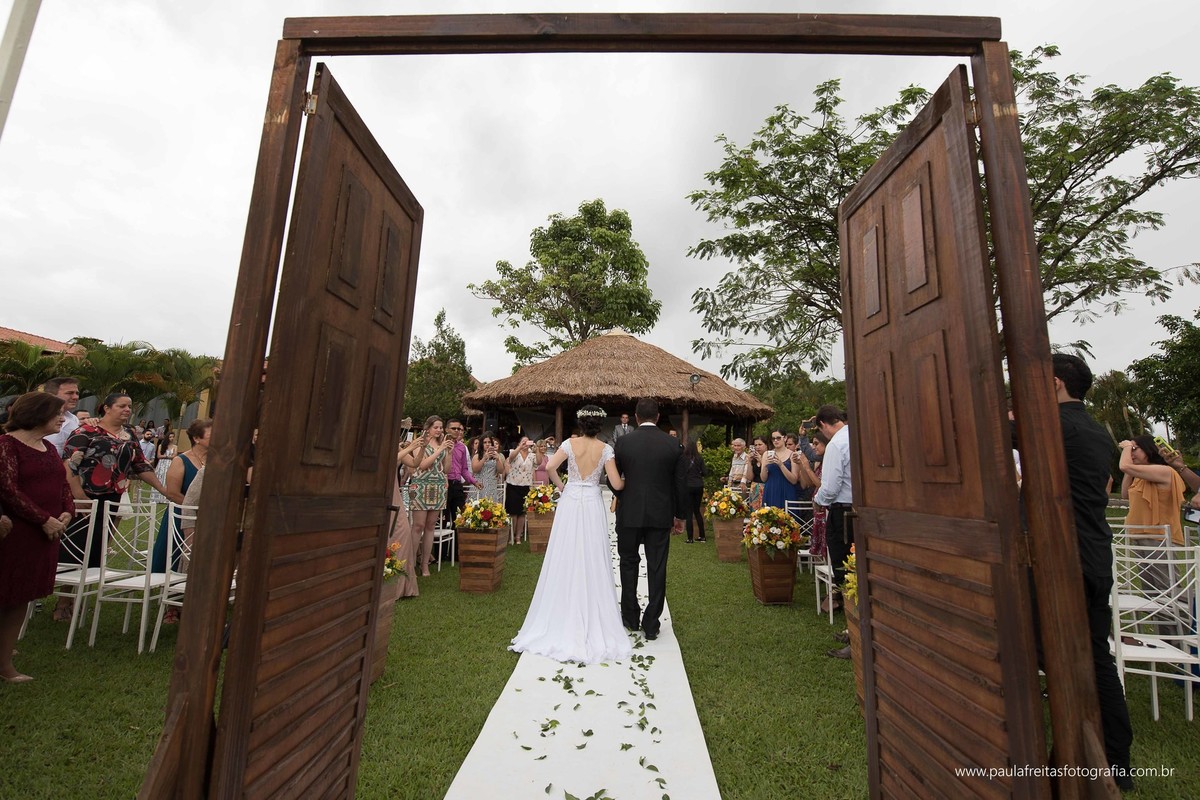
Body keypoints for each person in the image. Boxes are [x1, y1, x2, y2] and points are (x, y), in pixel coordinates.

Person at [1050, 353, 1134, 790]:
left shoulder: (1056, 428)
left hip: (1068, 560)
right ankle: (1116, 756)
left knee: (1057, 654)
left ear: (1056, 383)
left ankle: (1078, 751)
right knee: (1097, 657)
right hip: (1097, 554)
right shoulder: (1099, 432)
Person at [511, 405, 632, 664]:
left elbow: (550, 467)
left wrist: (563, 486)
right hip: (591, 501)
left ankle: (562, 607)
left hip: (571, 499)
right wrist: (629, 479)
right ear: (600, 426)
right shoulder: (606, 450)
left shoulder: (568, 443)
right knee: (592, 554)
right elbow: (617, 484)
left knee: (565, 551)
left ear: (580, 424)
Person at [56, 393, 180, 621]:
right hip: (84, 498)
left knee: (97, 548)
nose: (127, 410)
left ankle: (80, 600)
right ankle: (63, 602)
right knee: (75, 549)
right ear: (106, 408)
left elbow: (140, 464)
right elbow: (69, 464)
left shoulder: (130, 435)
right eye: (121, 406)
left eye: (129, 406)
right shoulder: (86, 431)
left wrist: (163, 489)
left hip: (112, 498)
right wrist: (79, 496)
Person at [0, 392, 74, 682]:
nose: (62, 418)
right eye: (57, 413)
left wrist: (66, 511)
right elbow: (6, 488)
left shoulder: (48, 448)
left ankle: (4, 664)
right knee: (4, 593)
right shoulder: (7, 445)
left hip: (46, 534)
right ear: (37, 413)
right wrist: (43, 519)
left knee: (21, 597)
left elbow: (62, 483)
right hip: (16, 532)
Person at [612, 398, 686, 641]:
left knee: (628, 562)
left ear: (635, 417)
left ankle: (630, 616)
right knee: (657, 566)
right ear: (657, 417)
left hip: (629, 513)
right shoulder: (673, 444)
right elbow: (679, 485)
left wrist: (623, 496)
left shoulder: (622, 442)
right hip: (660, 514)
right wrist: (680, 516)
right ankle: (652, 623)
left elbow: (614, 480)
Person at [150, 419, 212, 582]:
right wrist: (193, 508)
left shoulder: (215, 462)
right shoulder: (181, 460)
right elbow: (172, 493)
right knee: (174, 555)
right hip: (180, 515)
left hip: (208, 517)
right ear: (197, 439)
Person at [401, 416, 454, 577]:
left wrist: (448, 453)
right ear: (428, 428)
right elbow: (422, 465)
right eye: (436, 427)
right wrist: (440, 450)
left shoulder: (441, 445)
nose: (439, 430)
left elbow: (446, 470)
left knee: (431, 526)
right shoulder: (419, 443)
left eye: (441, 427)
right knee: (418, 526)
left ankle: (425, 564)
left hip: (438, 486)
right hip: (421, 486)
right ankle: (409, 564)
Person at [812, 406, 851, 611]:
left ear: (823, 425)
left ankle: (848, 613)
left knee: (842, 563)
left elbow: (831, 486)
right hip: (858, 508)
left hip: (841, 512)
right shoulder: (854, 436)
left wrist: (818, 499)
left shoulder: (836, 444)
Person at [1119, 433, 1186, 546]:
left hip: (1160, 537)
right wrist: (1131, 468)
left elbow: (1124, 466)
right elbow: (1125, 494)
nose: (1131, 453)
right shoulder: (1141, 477)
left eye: (1134, 449)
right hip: (1139, 534)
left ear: (1148, 448)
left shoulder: (1164, 471)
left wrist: (1126, 447)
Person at [389, 436, 427, 599]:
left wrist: (422, 448)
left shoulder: (398, 448)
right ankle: (387, 582)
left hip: (394, 494)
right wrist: (410, 447)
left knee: (403, 534)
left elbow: (414, 464)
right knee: (390, 536)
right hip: (383, 493)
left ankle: (403, 586)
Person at [794, 430, 829, 559]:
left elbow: (820, 485)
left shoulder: (828, 462)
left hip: (825, 507)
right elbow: (809, 483)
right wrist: (803, 466)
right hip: (818, 507)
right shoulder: (820, 460)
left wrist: (808, 468)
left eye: (816, 443)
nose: (813, 447)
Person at [761, 428, 804, 511]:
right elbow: (763, 479)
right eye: (773, 439)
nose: (775, 441)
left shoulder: (792, 455)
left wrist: (781, 465)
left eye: (778, 438)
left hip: (786, 489)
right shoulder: (766, 454)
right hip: (771, 489)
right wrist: (765, 466)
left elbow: (794, 480)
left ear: (785, 438)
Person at [505, 436, 536, 545]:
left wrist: (536, 449)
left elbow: (539, 462)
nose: (525, 443)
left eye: (527, 441)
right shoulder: (514, 451)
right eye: (523, 441)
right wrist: (520, 447)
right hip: (513, 484)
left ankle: (518, 536)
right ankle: (511, 536)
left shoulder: (532, 455)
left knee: (522, 513)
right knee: (513, 512)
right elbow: (511, 458)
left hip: (525, 485)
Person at [42, 376, 82, 456]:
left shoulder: (73, 419)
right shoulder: (36, 417)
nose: (75, 397)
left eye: (77, 393)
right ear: (51, 395)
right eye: (69, 393)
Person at [682, 436, 707, 543]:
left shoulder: (683, 458)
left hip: (688, 486)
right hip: (698, 486)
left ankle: (690, 538)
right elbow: (705, 472)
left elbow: (680, 473)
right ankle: (702, 536)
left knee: (689, 513)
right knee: (697, 511)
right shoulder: (700, 458)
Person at [471, 431, 507, 502]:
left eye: (489, 442)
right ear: (482, 444)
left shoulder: (496, 456)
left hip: (491, 486)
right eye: (485, 442)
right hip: (479, 485)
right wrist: (484, 458)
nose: (487, 444)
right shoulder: (477, 456)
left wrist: (497, 459)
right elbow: (475, 470)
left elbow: (501, 471)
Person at [150, 431, 178, 502]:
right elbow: (158, 456)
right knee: (160, 478)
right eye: (170, 437)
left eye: (172, 437)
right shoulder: (161, 446)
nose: (171, 438)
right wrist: (168, 456)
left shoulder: (175, 446)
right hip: (161, 464)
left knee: (168, 479)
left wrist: (165, 456)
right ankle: (156, 497)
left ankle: (166, 497)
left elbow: (174, 456)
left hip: (170, 464)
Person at [745, 435, 768, 510]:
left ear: (766, 445)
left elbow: (769, 472)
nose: (758, 447)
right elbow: (749, 477)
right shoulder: (754, 459)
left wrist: (761, 460)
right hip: (755, 488)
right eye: (755, 445)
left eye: (760, 444)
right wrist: (749, 461)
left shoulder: (769, 456)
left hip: (766, 487)